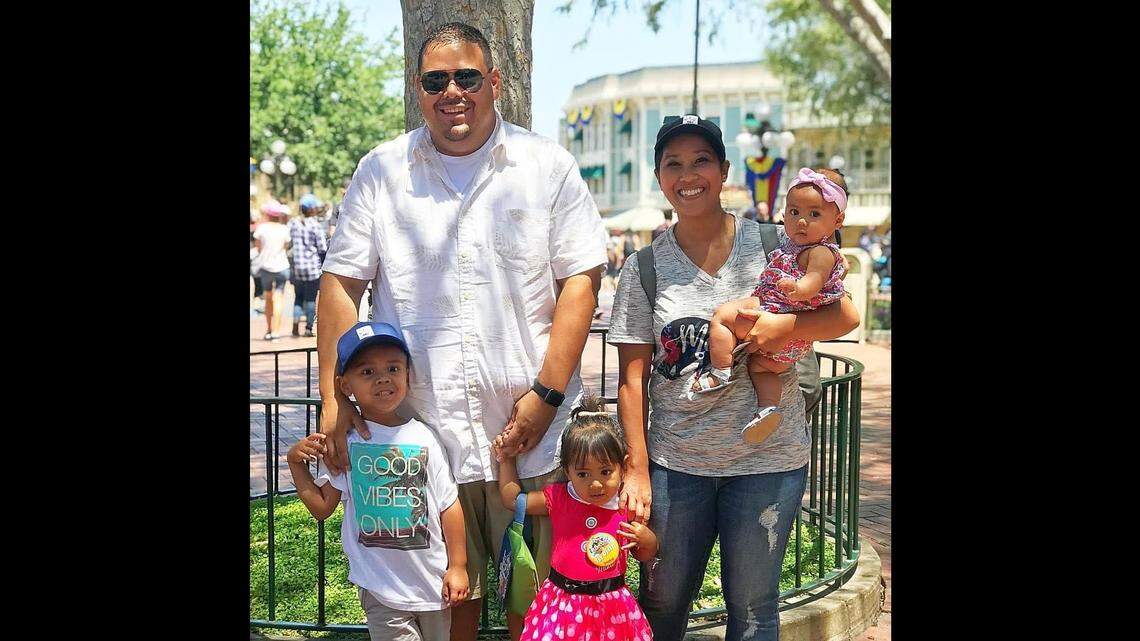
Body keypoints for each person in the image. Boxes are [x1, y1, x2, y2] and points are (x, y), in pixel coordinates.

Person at [315, 22, 606, 641]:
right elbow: (341, 285)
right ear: (418, 89)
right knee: (450, 605)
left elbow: (580, 280)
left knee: (548, 602)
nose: (453, 91)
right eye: (435, 80)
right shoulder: (381, 171)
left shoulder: (546, 164)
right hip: (425, 437)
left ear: (494, 82)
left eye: (467, 77)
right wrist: (334, 405)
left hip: (535, 439)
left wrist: (546, 395)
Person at [606, 115, 859, 641]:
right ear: (659, 177)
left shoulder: (777, 243)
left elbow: (844, 316)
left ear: (724, 171)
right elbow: (633, 381)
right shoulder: (644, 267)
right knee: (663, 603)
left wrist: (785, 324)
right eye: (673, 164)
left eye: (701, 160)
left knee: (753, 608)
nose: (688, 174)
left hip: (769, 461)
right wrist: (637, 468)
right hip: (678, 466)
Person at [287, 321, 468, 641]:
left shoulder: (424, 437)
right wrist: (295, 463)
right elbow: (321, 507)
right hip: (381, 588)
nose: (383, 378)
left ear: (407, 375)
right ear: (345, 386)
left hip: (432, 584)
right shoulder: (346, 444)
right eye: (367, 372)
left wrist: (458, 566)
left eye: (393, 368)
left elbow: (448, 505)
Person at [694, 167, 849, 443]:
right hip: (788, 335)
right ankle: (767, 409)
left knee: (722, 317)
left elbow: (818, 283)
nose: (801, 221)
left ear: (837, 221)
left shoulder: (821, 252)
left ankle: (719, 371)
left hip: (781, 311)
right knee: (761, 368)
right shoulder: (791, 245)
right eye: (794, 212)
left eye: (814, 215)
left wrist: (798, 290)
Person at [491, 393, 656, 641]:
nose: (596, 483)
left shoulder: (625, 505)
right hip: (562, 604)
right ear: (567, 470)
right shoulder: (558, 498)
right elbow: (514, 501)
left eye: (605, 471)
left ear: (623, 466)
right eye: (583, 474)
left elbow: (645, 554)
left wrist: (646, 539)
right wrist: (507, 459)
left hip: (611, 608)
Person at [289, 193, 329, 337]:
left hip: (297, 268)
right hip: (312, 268)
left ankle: (294, 327)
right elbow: (322, 248)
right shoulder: (316, 225)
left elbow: (290, 243)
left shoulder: (293, 223)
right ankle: (308, 328)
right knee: (311, 298)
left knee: (298, 297)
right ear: (312, 209)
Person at [254, 200, 292, 340]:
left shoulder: (261, 229)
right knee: (279, 298)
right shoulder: (284, 229)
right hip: (282, 266)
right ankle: (276, 331)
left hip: (265, 267)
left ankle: (269, 329)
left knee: (268, 297)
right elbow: (285, 247)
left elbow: (258, 247)